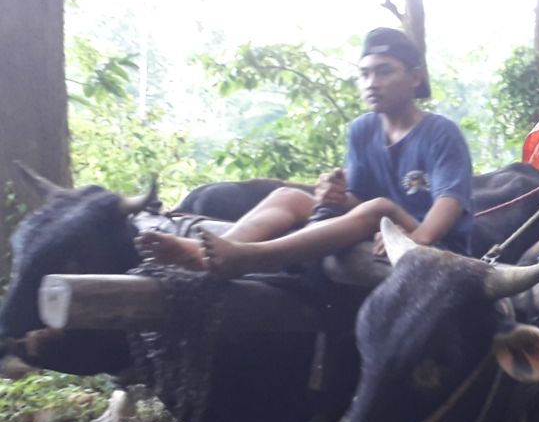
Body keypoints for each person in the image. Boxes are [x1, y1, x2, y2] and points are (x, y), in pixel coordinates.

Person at [136, 28, 473, 277]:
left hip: (428, 239)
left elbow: (449, 203)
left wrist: (418, 239)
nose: (372, 82)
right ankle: (203, 252)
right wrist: (337, 197)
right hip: (379, 227)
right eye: (365, 73)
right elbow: (358, 201)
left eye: (385, 71)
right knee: (289, 195)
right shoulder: (362, 129)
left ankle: (252, 257)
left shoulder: (440, 132)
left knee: (381, 209)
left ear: (415, 78)